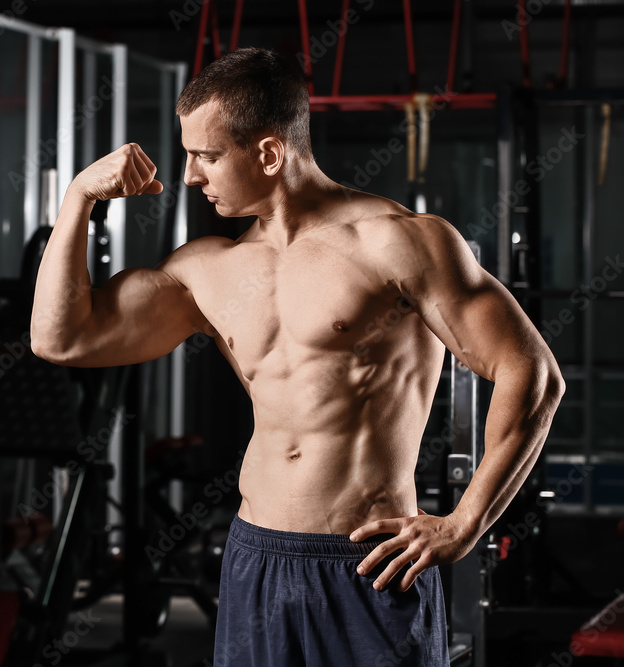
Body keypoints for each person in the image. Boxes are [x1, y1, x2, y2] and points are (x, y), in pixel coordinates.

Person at [29, 47, 564, 665]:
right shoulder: (209, 268)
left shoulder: (397, 242)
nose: (190, 177)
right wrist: (77, 200)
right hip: (257, 556)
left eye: (206, 156)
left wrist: (467, 521)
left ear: (268, 152)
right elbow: (60, 338)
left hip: (368, 560)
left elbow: (532, 372)